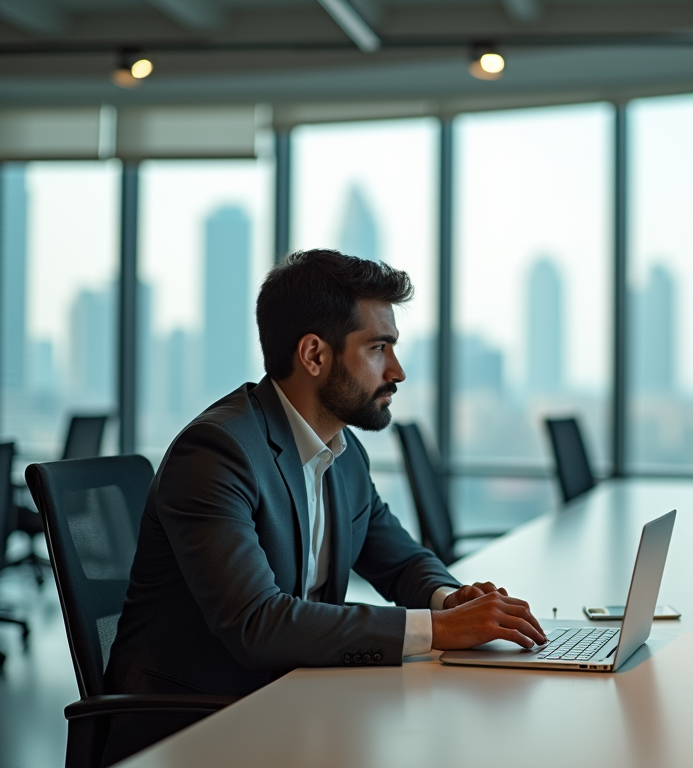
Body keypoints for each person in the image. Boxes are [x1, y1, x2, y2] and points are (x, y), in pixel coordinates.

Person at [102, 250, 544, 764]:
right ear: (314, 355)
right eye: (379, 348)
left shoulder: (342, 450)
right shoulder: (217, 453)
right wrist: (438, 630)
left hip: (294, 702)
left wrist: (450, 600)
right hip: (191, 730)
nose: (397, 371)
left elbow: (399, 559)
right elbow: (257, 624)